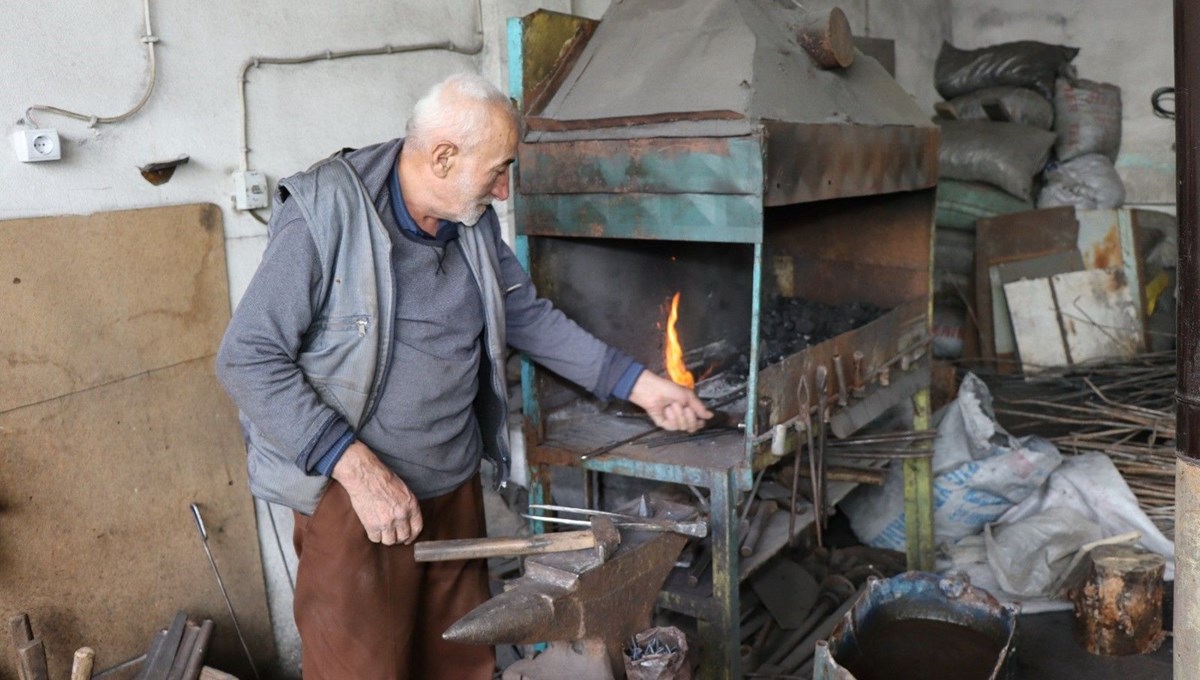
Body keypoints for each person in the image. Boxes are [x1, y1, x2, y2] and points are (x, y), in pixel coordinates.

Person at [215, 72, 712, 680]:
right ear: (443, 157)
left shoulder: (469, 218)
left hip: (452, 485)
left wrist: (639, 384)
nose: (504, 191)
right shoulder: (325, 214)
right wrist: (357, 469)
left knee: (460, 666)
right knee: (362, 671)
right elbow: (247, 356)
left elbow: (524, 315)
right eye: (499, 169)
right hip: (355, 501)